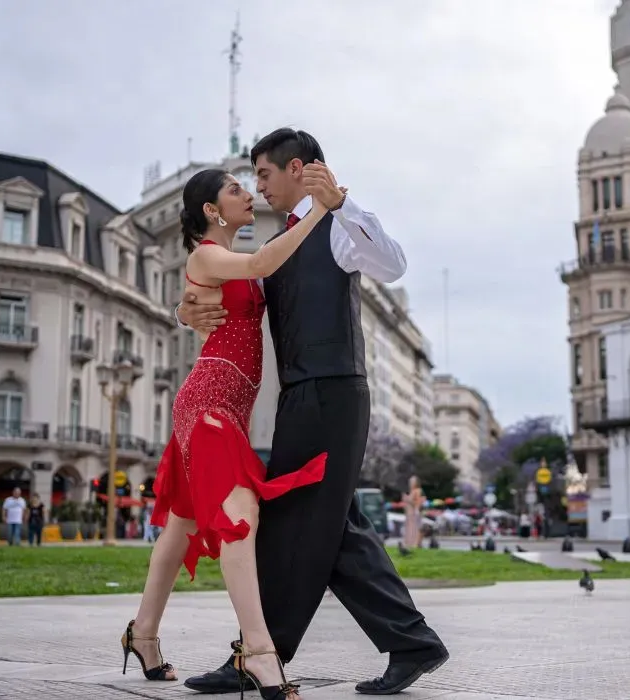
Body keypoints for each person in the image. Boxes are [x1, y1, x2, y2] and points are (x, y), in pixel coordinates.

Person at [179, 129, 447, 696]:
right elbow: (225, 288)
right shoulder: (280, 238)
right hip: (301, 396)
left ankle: (261, 655)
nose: (259, 187)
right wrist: (190, 311)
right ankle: (410, 643)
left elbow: (393, 265)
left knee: (299, 522)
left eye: (264, 174)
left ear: (297, 168)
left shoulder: (335, 226)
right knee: (333, 526)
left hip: (333, 391)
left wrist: (344, 204)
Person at [121, 164, 333, 698]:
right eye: (237, 190)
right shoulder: (206, 254)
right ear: (212, 211)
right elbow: (260, 261)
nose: (248, 196)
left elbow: (214, 291)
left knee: (181, 528)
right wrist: (320, 211)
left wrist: (181, 311)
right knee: (241, 516)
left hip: (228, 404)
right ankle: (260, 651)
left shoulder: (222, 260)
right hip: (210, 399)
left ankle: (142, 634)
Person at [403, 476, 424, 548]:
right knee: (409, 529)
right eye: (410, 482)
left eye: (412, 482)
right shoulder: (412, 492)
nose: (410, 483)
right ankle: (409, 543)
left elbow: (419, 502)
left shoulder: (418, 491)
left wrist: (408, 500)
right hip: (409, 515)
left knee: (416, 529)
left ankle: (416, 543)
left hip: (415, 514)